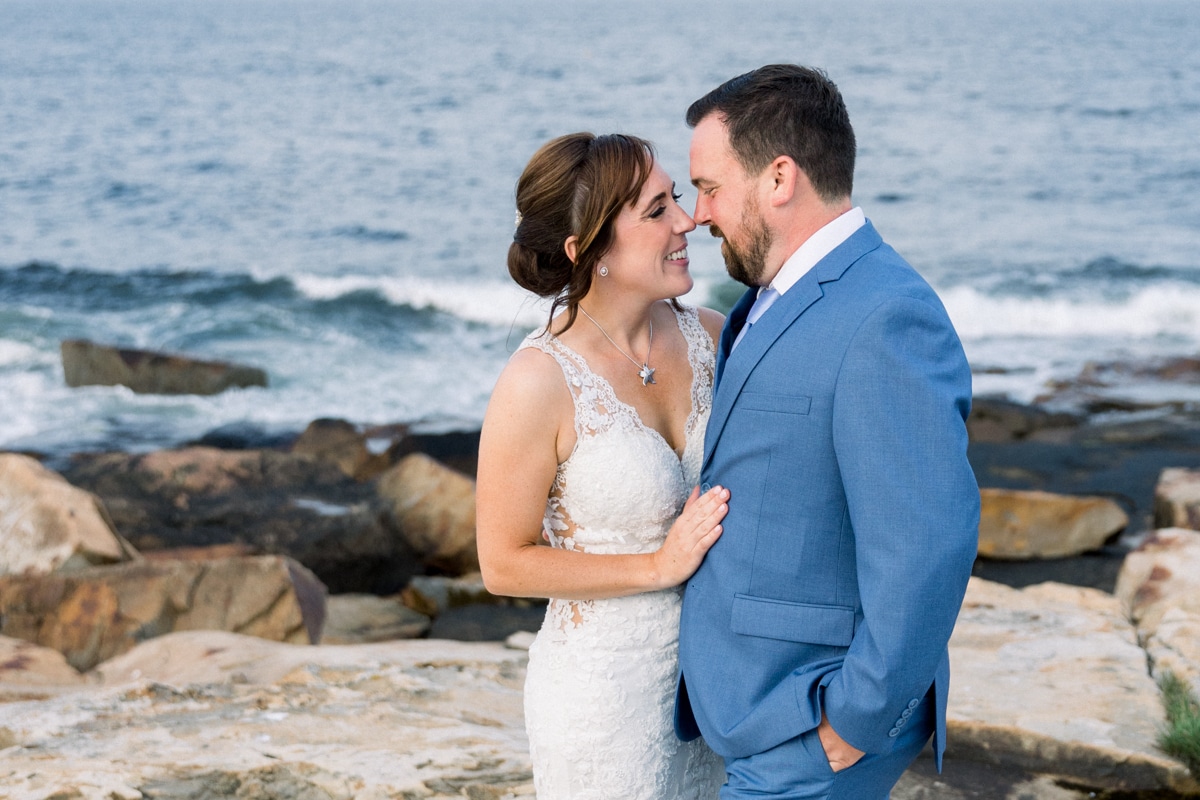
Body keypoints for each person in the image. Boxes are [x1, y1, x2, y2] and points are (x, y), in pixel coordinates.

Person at [674, 64, 980, 799]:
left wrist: (856, 717)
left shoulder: (884, 317)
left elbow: (927, 542)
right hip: (759, 707)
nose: (697, 214)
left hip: (809, 724)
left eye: (710, 188)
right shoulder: (770, 297)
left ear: (779, 178)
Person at [477, 132, 729, 799]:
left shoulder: (713, 337)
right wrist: (656, 567)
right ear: (586, 249)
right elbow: (503, 562)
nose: (687, 220)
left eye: (677, 198)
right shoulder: (538, 380)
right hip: (604, 702)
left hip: (718, 692)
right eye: (656, 211)